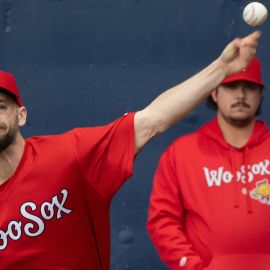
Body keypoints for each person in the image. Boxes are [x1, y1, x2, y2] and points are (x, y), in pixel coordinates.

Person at [0, 31, 260, 270]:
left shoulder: (69, 155)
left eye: (1, 106)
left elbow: (154, 119)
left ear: (21, 115)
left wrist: (222, 68)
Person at [147, 47, 270, 269]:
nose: (240, 95)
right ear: (214, 92)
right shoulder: (181, 153)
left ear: (260, 94)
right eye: (231, 86)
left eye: (249, 87)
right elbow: (163, 221)